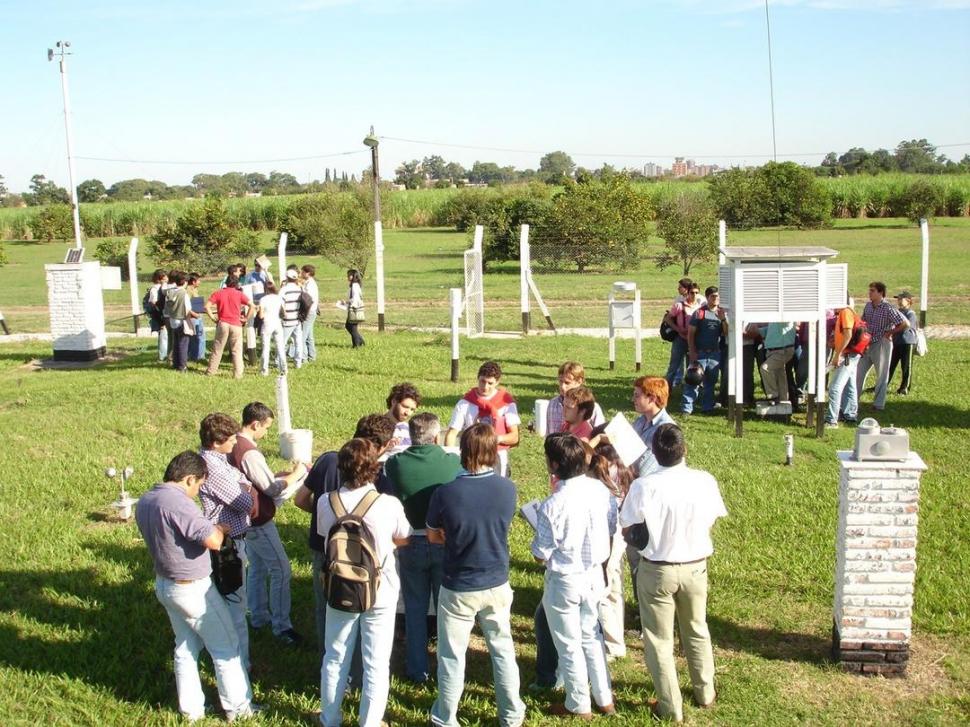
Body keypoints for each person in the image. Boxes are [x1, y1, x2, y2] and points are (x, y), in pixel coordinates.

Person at [135, 451, 257, 722]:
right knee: (226, 646)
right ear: (189, 478)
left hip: (166, 584)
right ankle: (240, 709)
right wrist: (222, 528)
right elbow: (213, 540)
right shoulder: (178, 503)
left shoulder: (147, 499)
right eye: (199, 485)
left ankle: (191, 711)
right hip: (193, 589)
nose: (198, 491)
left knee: (186, 647)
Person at [620, 424, 726, 722]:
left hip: (657, 569)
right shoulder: (704, 480)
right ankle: (705, 690)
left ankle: (670, 705)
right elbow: (711, 518)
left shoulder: (644, 486)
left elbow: (626, 524)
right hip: (695, 566)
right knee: (696, 627)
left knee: (658, 639)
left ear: (654, 452)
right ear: (685, 450)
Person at [426, 424, 526, 727]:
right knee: (503, 650)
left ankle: (446, 717)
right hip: (497, 580)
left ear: (463, 451)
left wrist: (452, 535)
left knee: (452, 655)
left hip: (459, 584)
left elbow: (433, 536)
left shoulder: (445, 492)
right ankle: (511, 714)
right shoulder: (507, 488)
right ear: (493, 452)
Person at [317, 439, 411, 727]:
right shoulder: (388, 503)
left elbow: (325, 536)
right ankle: (370, 721)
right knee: (376, 661)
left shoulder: (325, 501)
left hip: (340, 586)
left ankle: (329, 718)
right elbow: (404, 537)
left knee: (334, 655)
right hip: (379, 588)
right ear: (374, 469)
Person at [294, 413, 398, 657]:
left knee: (326, 607)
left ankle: (327, 657)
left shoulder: (328, 460)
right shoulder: (377, 474)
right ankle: (357, 665)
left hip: (324, 549)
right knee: (363, 604)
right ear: (382, 447)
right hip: (362, 557)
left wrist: (328, 520)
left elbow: (300, 499)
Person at [532, 434, 616, 719]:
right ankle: (604, 698)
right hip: (595, 574)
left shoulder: (553, 504)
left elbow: (541, 553)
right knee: (592, 637)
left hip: (565, 579)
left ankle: (578, 704)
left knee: (568, 644)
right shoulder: (601, 491)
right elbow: (612, 525)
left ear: (553, 465)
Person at [384, 412, 462, 684]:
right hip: (442, 539)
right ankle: (446, 668)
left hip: (410, 541)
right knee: (446, 609)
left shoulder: (396, 463)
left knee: (415, 608)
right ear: (436, 436)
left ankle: (417, 669)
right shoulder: (451, 461)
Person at [229, 402, 307, 646]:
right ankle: (282, 626)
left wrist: (278, 476)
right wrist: (295, 476)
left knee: (258, 567)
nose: (266, 433)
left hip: (243, 518)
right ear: (255, 424)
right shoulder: (249, 451)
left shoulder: (233, 445)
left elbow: (257, 480)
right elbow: (271, 489)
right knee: (281, 570)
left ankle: (258, 616)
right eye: (266, 428)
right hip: (258, 520)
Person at [197, 412, 255, 671]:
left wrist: (244, 485)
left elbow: (243, 481)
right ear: (216, 441)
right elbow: (245, 501)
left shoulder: (217, 461)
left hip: (230, 540)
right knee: (235, 609)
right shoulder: (215, 469)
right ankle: (239, 664)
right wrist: (246, 490)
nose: (235, 443)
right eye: (230, 439)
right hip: (229, 545)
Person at [444, 361, 520, 478]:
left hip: (497, 456)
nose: (485, 387)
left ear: (497, 382)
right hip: (471, 456)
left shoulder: (506, 403)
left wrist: (491, 440)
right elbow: (451, 434)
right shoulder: (465, 403)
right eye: (482, 381)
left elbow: (514, 437)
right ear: (477, 378)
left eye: (490, 383)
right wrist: (450, 458)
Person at [857, 281, 909, 411]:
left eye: (873, 291)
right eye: (870, 290)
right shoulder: (868, 306)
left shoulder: (888, 308)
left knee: (882, 375)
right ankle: (853, 400)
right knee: (859, 372)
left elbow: (905, 323)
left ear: (881, 293)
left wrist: (890, 332)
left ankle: (878, 404)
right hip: (867, 343)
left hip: (881, 343)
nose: (870, 293)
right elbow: (863, 322)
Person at [683, 286, 728, 415]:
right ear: (707, 297)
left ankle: (707, 408)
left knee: (711, 382)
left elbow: (725, 333)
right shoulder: (699, 313)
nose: (716, 299)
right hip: (700, 353)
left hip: (715, 354)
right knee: (693, 380)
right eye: (713, 296)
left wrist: (723, 319)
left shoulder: (721, 313)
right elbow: (691, 334)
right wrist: (692, 352)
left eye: (717, 297)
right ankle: (687, 408)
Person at [205, 275, 254, 379]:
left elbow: (207, 306)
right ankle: (238, 374)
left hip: (223, 323)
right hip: (236, 324)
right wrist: (245, 318)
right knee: (237, 350)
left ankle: (211, 371)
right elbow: (252, 305)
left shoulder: (218, 293)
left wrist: (213, 318)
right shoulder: (239, 294)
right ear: (236, 284)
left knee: (217, 348)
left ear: (226, 283)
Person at [825, 302, 861, 428]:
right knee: (850, 385)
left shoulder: (845, 312)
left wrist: (837, 354)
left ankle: (831, 420)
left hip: (847, 355)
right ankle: (850, 415)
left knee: (835, 387)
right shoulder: (847, 312)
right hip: (852, 354)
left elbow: (848, 334)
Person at [546, 362, 606, 435]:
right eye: (560, 381)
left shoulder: (591, 407)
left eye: (567, 383)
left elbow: (600, 434)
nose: (562, 387)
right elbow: (549, 433)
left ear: (579, 381)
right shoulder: (553, 404)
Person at [663, 278, 702, 389]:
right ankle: (667, 390)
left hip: (694, 340)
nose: (694, 295)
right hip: (680, 339)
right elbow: (668, 319)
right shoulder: (679, 305)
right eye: (692, 293)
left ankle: (691, 390)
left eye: (696, 293)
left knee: (693, 367)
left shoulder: (700, 308)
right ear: (687, 293)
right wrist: (678, 329)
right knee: (674, 366)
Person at [162, 271, 199, 373]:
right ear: (185, 282)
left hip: (172, 319)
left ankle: (175, 363)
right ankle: (182, 366)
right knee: (183, 344)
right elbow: (187, 309)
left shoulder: (170, 291)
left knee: (176, 343)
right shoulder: (183, 293)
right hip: (182, 321)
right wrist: (195, 315)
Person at [888, 290, 919, 395]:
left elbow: (906, 327)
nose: (899, 301)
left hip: (907, 342)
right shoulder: (898, 312)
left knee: (906, 366)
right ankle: (883, 384)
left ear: (908, 301)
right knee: (890, 365)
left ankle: (904, 388)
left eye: (902, 299)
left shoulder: (911, 314)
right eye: (898, 299)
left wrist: (893, 330)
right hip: (896, 342)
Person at [759, 322, 797, 405]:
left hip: (783, 350)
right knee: (780, 374)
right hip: (774, 351)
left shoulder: (782, 314)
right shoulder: (774, 317)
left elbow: (788, 323)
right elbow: (771, 330)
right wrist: (758, 331)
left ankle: (773, 396)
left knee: (765, 368)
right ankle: (783, 400)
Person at [257, 282, 286, 377]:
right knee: (280, 347)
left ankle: (264, 370)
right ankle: (284, 369)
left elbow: (261, 316)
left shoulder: (263, 299)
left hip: (267, 324)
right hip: (277, 323)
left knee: (266, 348)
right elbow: (284, 313)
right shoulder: (279, 298)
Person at [280, 267, 305, 369]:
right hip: (297, 319)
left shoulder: (284, 289)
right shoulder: (299, 288)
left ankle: (280, 362)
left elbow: (280, 303)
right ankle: (298, 362)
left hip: (287, 320)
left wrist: (282, 315)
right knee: (298, 342)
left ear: (287, 277)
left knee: (282, 341)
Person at [385, 382, 421, 454]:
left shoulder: (410, 430)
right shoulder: (375, 426)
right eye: (405, 407)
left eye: (412, 410)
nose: (408, 413)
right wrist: (384, 448)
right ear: (394, 401)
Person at [146, 268, 169, 361]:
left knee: (166, 335)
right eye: (164, 278)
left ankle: (165, 354)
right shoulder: (154, 289)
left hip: (164, 313)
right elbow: (154, 303)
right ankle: (162, 356)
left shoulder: (164, 287)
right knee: (163, 335)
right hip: (159, 314)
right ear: (159, 279)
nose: (166, 279)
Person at [301, 264, 320, 363]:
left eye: (302, 272)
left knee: (302, 336)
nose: (301, 273)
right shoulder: (308, 283)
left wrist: (304, 313)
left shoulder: (310, 284)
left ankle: (303, 358)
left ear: (308, 273)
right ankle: (312, 357)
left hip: (309, 312)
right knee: (309, 336)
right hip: (311, 312)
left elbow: (308, 300)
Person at [187, 272, 207, 362]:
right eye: (198, 280)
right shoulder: (188, 291)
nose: (200, 282)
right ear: (193, 281)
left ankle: (200, 355)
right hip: (193, 317)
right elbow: (186, 306)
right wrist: (193, 314)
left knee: (200, 336)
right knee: (196, 337)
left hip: (198, 315)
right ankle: (195, 357)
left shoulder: (194, 290)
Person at [344, 268, 365, 348]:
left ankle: (357, 344)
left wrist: (348, 303)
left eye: (349, 275)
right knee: (351, 326)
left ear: (353, 276)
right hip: (353, 307)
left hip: (354, 309)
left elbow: (355, 298)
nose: (348, 277)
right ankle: (359, 342)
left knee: (351, 327)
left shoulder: (354, 286)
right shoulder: (354, 285)